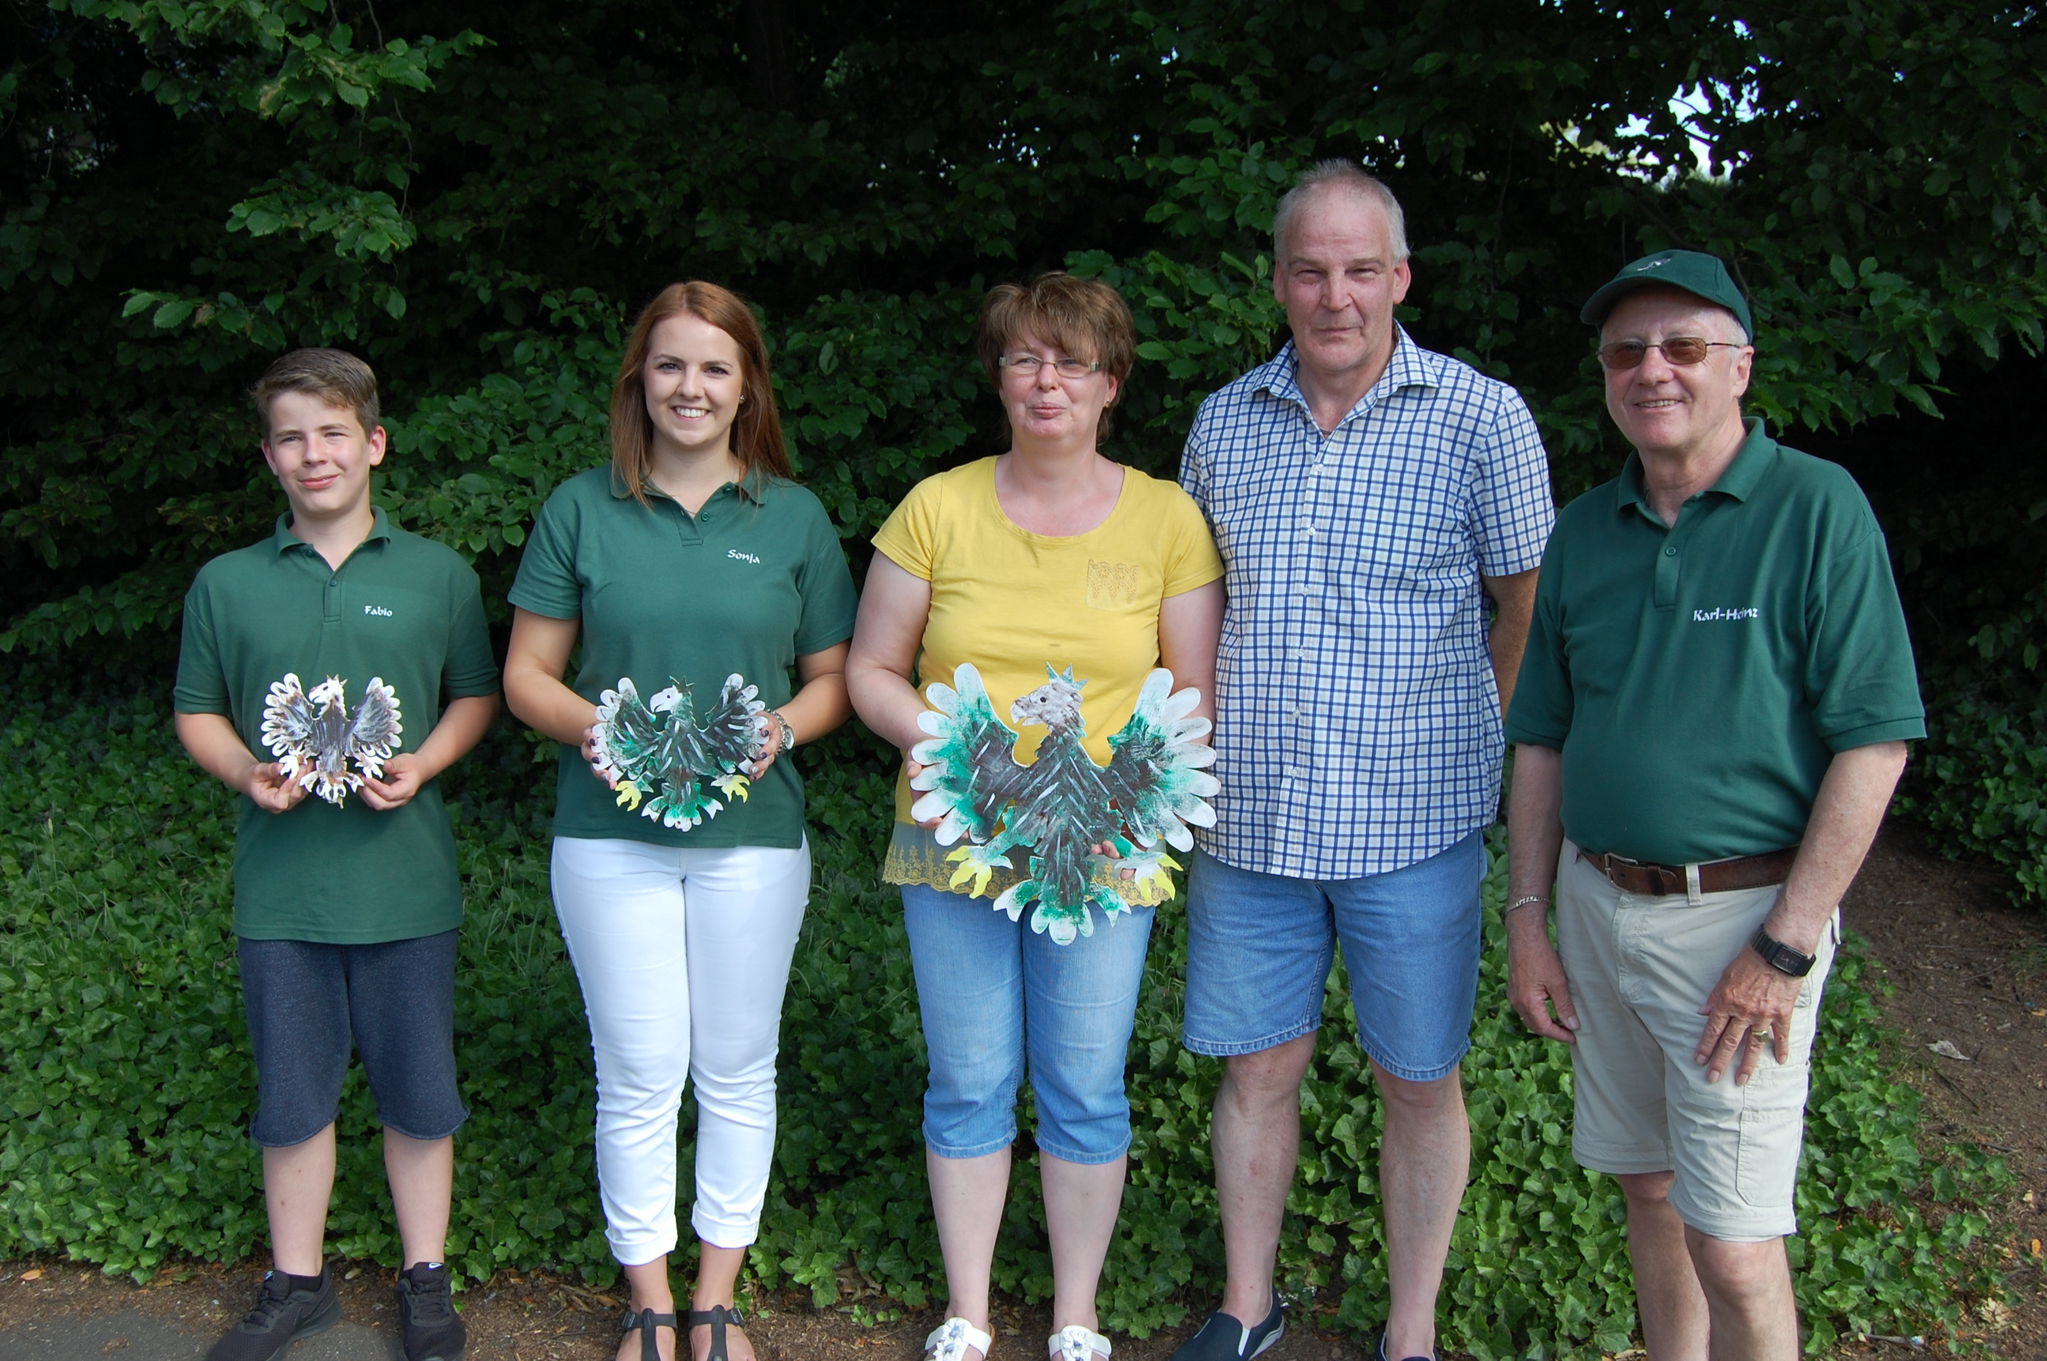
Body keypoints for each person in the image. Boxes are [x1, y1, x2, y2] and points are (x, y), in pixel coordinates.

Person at [1502, 249, 1923, 1359]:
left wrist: (1784, 946)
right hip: (1597, 907)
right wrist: (1529, 917)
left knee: (1733, 1244)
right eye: (1626, 350)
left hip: (1741, 926)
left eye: (1684, 345)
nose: (1653, 369)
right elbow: (1542, 737)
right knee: (1647, 1189)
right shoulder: (1583, 528)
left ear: (1740, 365)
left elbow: (1874, 743)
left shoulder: (1815, 508)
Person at [1171, 162, 1554, 1361]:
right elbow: (1192, 603)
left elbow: (1525, 603)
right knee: (1256, 1069)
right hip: (1251, 820)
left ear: (1400, 277)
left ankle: (1410, 1328)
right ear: (1277, 282)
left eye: (1358, 269)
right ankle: (1248, 1304)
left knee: (1418, 1077)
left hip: (1414, 820)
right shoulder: (1223, 421)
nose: (1333, 295)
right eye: (1309, 270)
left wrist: (1484, 734)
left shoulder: (1482, 416)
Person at [846, 273, 1224, 1361]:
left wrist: (1123, 810)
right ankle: (965, 1311)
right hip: (952, 839)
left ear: (1111, 383)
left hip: (1102, 848)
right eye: (1023, 357)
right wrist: (956, 762)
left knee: (1084, 1084)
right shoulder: (936, 506)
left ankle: (1075, 1314)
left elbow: (1191, 698)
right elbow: (871, 669)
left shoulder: (1165, 517)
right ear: (999, 377)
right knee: (967, 1078)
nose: (1045, 380)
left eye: (1071, 361)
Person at [503, 282, 856, 1361]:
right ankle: (649, 1303)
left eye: (713, 367)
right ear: (638, 380)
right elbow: (526, 674)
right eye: (668, 364)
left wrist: (780, 729)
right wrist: (607, 733)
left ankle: (717, 1300)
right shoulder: (580, 507)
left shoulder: (792, 516)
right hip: (610, 838)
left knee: (738, 1067)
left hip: (752, 841)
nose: (689, 387)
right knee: (639, 1069)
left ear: (747, 386)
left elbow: (835, 677)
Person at [175, 348, 500, 1361]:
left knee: (420, 1094)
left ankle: (426, 1278)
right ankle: (297, 1282)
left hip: (405, 887)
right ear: (268, 456)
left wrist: (425, 762)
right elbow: (196, 710)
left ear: (374, 444)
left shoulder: (439, 574)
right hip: (284, 892)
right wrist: (246, 771)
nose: (313, 454)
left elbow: (474, 695)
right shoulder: (226, 583)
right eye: (290, 437)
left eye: (332, 432)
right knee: (291, 1098)